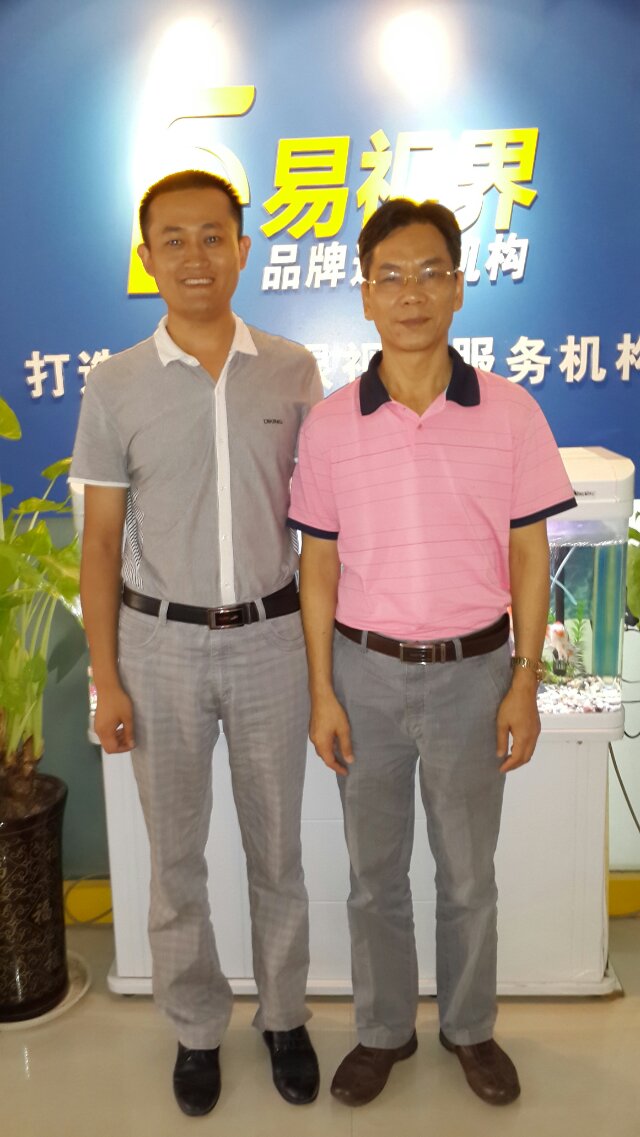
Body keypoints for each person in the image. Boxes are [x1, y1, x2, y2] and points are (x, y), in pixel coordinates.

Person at [288, 198, 576, 1108]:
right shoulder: (330, 424)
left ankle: (470, 1026)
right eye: (391, 277)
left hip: (474, 675)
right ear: (365, 295)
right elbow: (317, 565)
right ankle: (382, 1030)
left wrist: (524, 680)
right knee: (373, 876)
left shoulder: (512, 412)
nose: (410, 293)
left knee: (467, 873)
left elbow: (529, 553)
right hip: (363, 676)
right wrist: (322, 690)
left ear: (457, 286)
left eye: (428, 274)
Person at [71, 170, 323, 1117]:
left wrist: (323, 667)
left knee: (277, 850)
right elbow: (100, 543)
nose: (194, 256)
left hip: (271, 640)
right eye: (172, 240)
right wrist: (106, 678)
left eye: (212, 236)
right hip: (159, 646)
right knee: (175, 858)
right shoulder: (115, 383)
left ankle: (285, 1017)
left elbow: (320, 529)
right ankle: (194, 1028)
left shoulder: (294, 370)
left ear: (242, 249)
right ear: (146, 259)